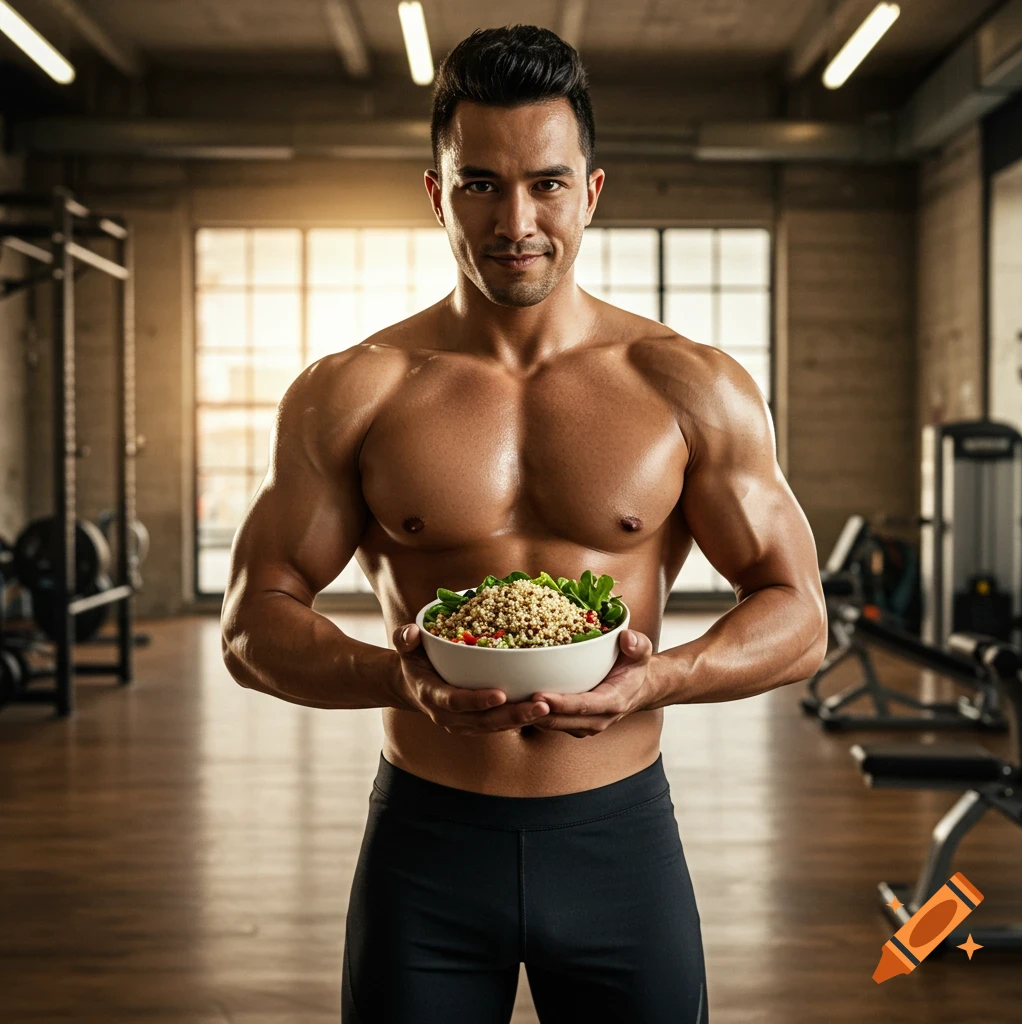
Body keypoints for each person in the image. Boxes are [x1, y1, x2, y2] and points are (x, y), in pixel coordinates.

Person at [221, 23, 827, 1024]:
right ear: (435, 192)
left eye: (546, 183)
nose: (515, 220)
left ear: (590, 191)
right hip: (427, 850)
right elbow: (251, 626)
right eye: (480, 184)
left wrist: (660, 677)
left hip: (619, 844)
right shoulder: (356, 391)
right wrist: (398, 675)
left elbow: (800, 619)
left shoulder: (687, 384)